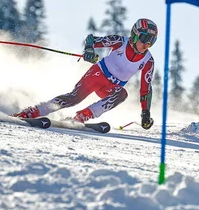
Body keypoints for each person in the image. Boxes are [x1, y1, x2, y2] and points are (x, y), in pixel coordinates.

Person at [12, 18, 157, 129]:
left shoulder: (148, 61)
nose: (147, 44)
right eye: (145, 39)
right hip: (97, 75)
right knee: (74, 98)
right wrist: (89, 50)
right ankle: (32, 112)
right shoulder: (120, 42)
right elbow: (92, 40)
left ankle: (82, 117)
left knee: (122, 94)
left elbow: (145, 89)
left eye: (152, 41)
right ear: (136, 34)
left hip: (111, 87)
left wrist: (145, 113)